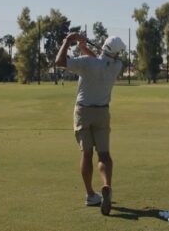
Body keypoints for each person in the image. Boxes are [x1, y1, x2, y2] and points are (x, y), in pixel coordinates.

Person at [55, 32, 126, 215]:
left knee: (86, 155)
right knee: (104, 155)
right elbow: (100, 63)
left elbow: (60, 62)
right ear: (117, 53)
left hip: (83, 113)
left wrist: (68, 41)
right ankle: (107, 186)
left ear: (103, 46)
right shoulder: (117, 65)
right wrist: (84, 47)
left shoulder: (87, 63)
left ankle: (90, 195)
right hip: (102, 113)